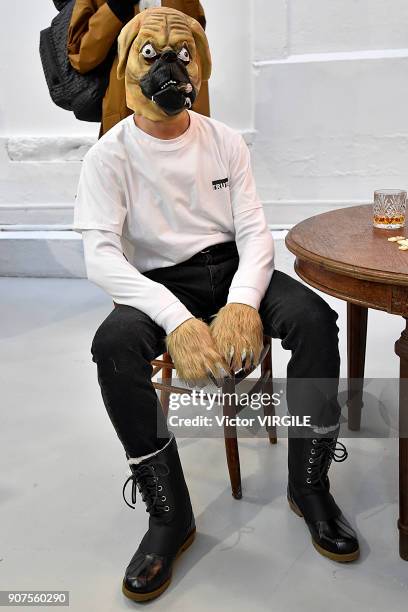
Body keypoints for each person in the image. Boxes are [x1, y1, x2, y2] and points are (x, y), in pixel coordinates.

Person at [73, 7, 360, 603]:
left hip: (230, 266)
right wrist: (176, 319)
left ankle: (310, 486)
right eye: (151, 55)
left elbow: (255, 232)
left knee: (314, 321)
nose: (169, 68)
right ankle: (169, 513)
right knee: (114, 346)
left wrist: (242, 304)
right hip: (161, 280)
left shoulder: (224, 140)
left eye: (183, 53)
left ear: (201, 65)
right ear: (126, 67)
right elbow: (101, 256)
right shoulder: (108, 157)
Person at [67, 0, 209, 136]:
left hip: (186, 115)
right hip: (127, 111)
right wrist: (115, 9)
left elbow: (195, 38)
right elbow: (80, 56)